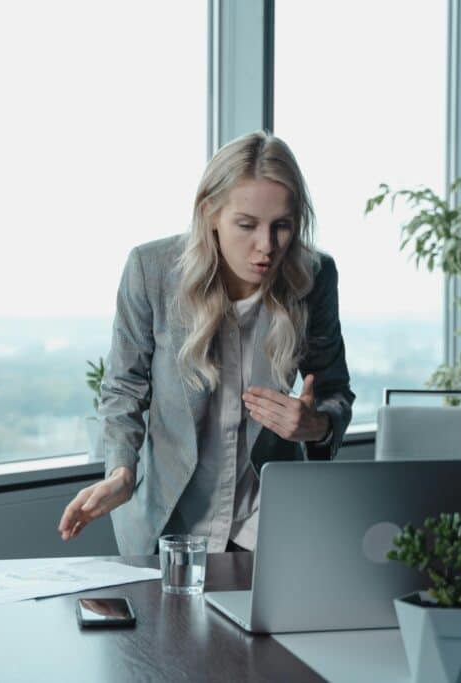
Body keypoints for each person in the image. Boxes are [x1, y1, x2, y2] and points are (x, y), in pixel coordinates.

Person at [57, 131, 354, 556]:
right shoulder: (151, 270)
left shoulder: (314, 276)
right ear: (210, 213)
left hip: (265, 526)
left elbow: (333, 393)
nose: (266, 246)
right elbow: (125, 387)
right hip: (169, 525)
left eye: (282, 226)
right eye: (247, 225)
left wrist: (316, 426)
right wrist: (121, 471)